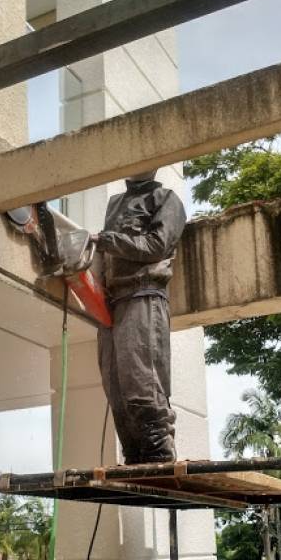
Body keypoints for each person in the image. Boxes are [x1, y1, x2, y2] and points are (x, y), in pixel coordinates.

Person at [92, 170, 186, 465]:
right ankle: (134, 455)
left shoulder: (167, 199)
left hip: (143, 294)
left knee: (141, 381)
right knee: (115, 384)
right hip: (112, 301)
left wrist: (107, 240)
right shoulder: (115, 203)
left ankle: (159, 453)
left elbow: (157, 245)